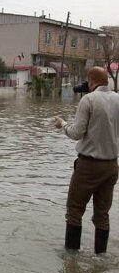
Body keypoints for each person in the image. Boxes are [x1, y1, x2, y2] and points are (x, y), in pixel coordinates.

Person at [54, 66, 119, 253]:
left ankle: (71, 260)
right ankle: (101, 257)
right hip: (112, 166)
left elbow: (76, 133)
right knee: (102, 215)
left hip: (89, 165)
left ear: (90, 80)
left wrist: (62, 124)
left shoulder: (88, 99)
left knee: (74, 211)